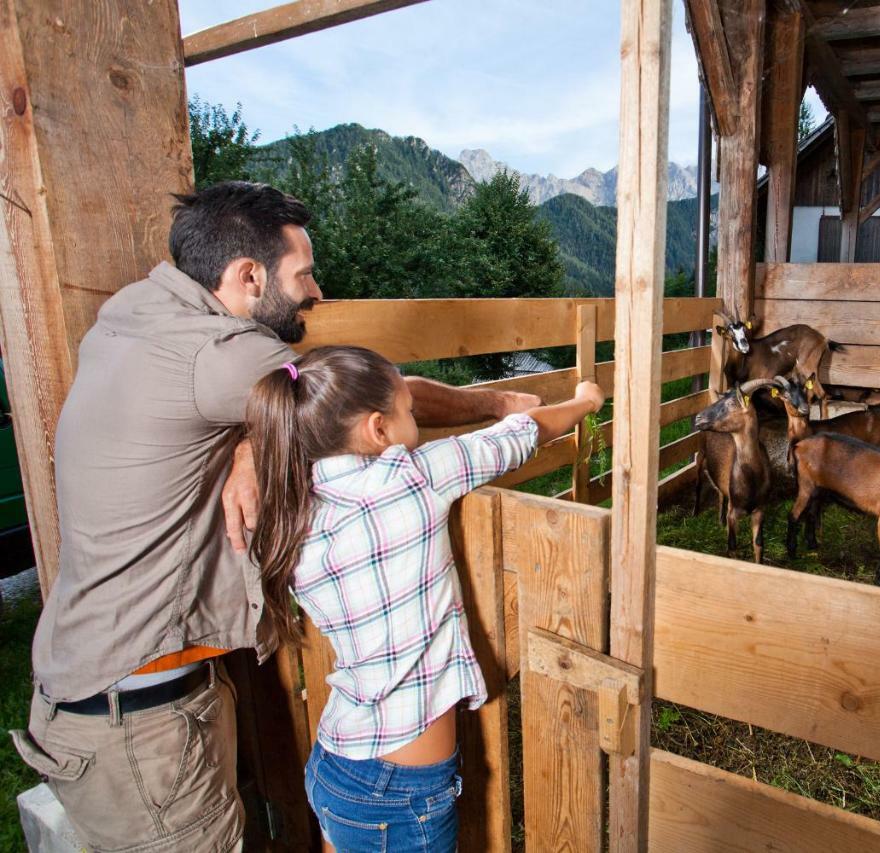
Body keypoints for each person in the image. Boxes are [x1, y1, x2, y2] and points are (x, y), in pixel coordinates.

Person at [11, 181, 537, 851]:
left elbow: (248, 400)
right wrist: (497, 405)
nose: (317, 291)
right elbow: (371, 398)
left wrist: (248, 438)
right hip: (140, 723)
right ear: (248, 276)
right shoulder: (225, 355)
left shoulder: (135, 310)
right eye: (304, 272)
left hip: (90, 693)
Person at [246, 346, 602, 852]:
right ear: (378, 430)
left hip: (336, 764)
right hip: (401, 792)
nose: (415, 418)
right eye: (409, 410)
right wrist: (585, 402)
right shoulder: (412, 479)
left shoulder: (291, 508)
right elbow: (519, 435)